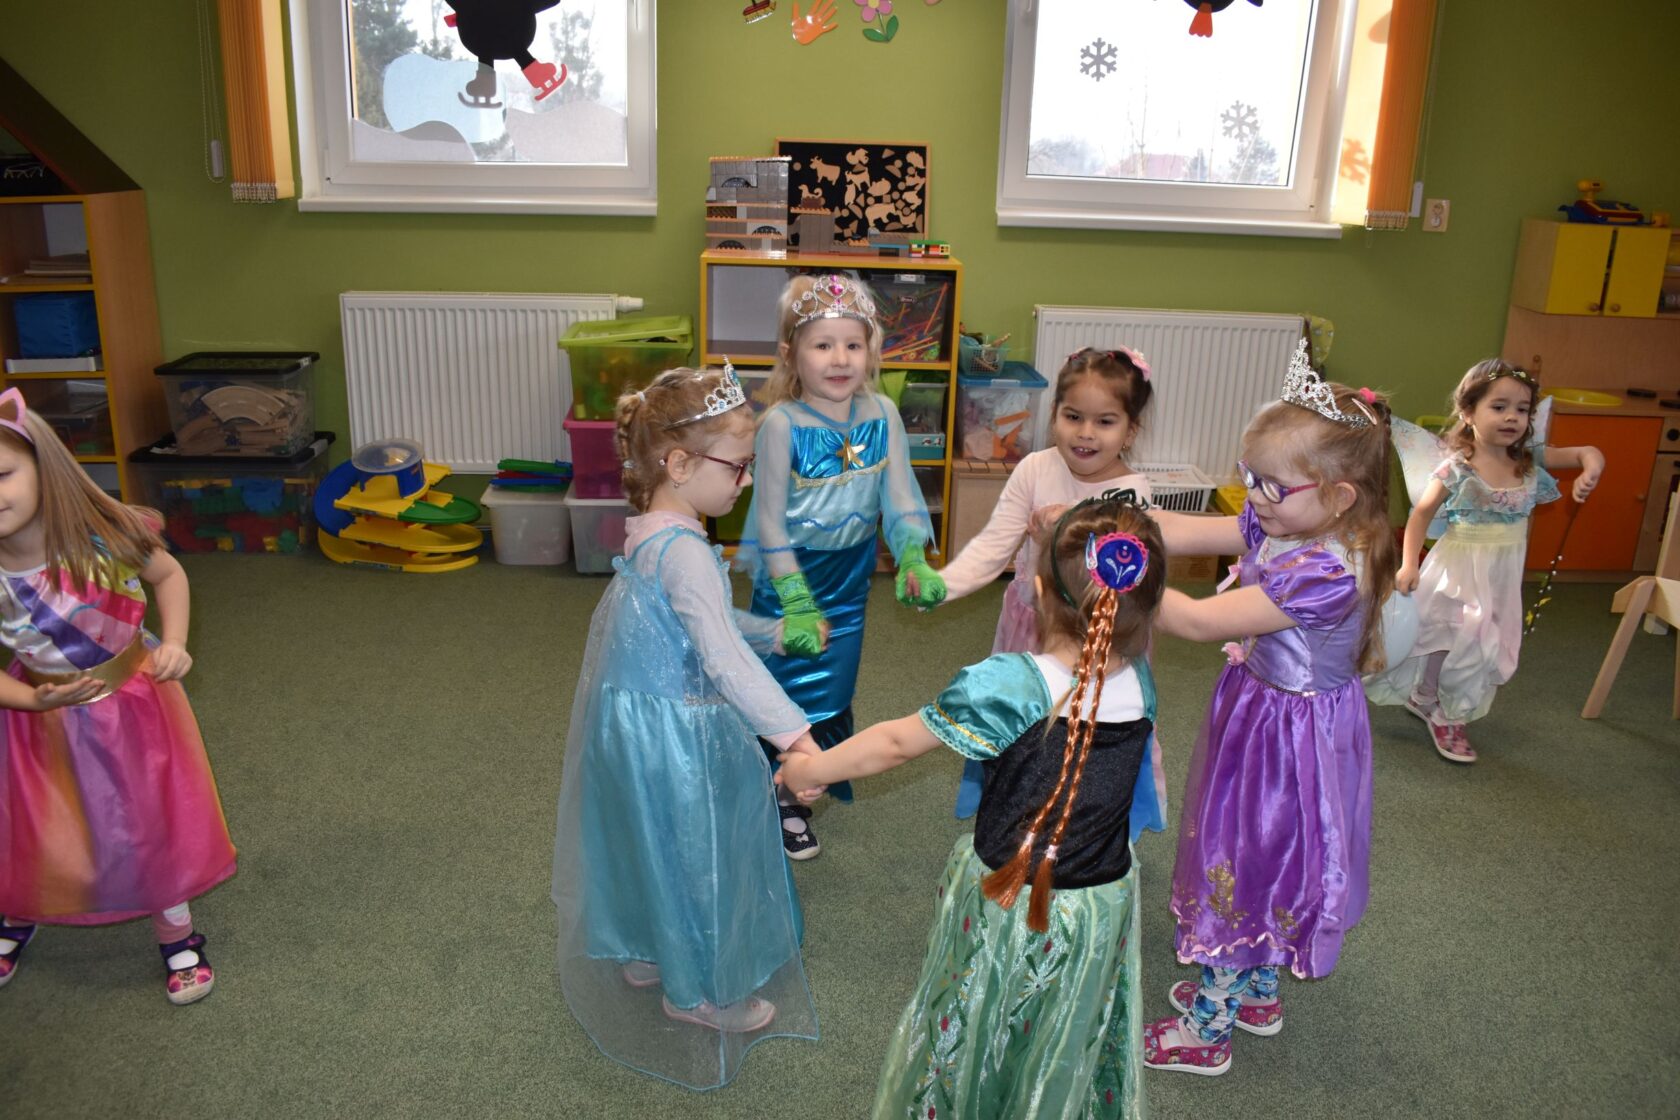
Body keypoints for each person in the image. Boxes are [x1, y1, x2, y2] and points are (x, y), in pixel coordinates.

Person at [780, 493, 1165, 1120]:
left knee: (983, 1014)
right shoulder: (1141, 681)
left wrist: (808, 769)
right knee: (1064, 1029)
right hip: (1101, 905)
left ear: (1038, 593)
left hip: (1011, 901)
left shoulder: (1009, 684)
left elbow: (896, 743)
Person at [551, 365, 821, 1089]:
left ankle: (651, 948)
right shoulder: (691, 552)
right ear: (678, 464)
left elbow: (701, 626)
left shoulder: (651, 531)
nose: (744, 482)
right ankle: (696, 990)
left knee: (648, 839)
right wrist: (796, 738)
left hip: (629, 722)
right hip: (677, 733)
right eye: (736, 466)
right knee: (700, 851)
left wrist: (768, 630)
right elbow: (721, 659)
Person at [1138, 343, 1395, 1076]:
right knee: (1270, 853)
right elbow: (1190, 530)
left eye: (1270, 485)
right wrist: (1126, 515)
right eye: (1247, 476)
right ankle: (1255, 990)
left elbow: (1195, 621)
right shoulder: (1292, 522)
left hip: (1288, 742)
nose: (1252, 496)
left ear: (1340, 495)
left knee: (1245, 856)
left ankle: (1208, 1029)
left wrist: (1121, 574)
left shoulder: (1326, 572)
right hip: (1267, 715)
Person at [0, 388, 231, 1006]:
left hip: (132, 705)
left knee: (149, 815)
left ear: (42, 467)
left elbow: (168, 574)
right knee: (39, 814)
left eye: (2, 475)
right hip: (37, 713)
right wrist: (31, 702)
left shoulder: (98, 535)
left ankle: (177, 934)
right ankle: (20, 911)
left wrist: (174, 642)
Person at [737, 272, 943, 859]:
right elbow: (769, 523)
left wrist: (911, 556)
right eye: (822, 345)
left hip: (850, 580)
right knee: (780, 690)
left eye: (853, 344)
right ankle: (774, 793)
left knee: (832, 690)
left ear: (871, 351)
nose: (839, 358)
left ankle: (800, 787)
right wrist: (796, 603)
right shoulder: (781, 424)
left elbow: (899, 497)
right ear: (790, 354)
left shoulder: (883, 413)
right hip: (792, 581)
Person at [938, 346, 1157, 819]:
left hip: (1100, 639)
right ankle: (1013, 813)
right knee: (1023, 723)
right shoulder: (1035, 468)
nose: (1085, 432)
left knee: (1085, 733)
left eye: (1105, 421)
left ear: (1130, 430)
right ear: (1054, 413)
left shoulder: (1134, 493)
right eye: (1073, 416)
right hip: (1031, 626)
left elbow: (1124, 578)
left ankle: (1078, 822)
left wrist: (1068, 524)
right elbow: (994, 544)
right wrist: (944, 585)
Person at [1365, 359, 1603, 762]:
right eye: (1499, 406)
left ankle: (1426, 696)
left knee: (1467, 640)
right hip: (1458, 566)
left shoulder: (1529, 461)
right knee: (1458, 636)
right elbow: (1420, 515)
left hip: (1502, 573)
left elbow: (1588, 452)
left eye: (1522, 409)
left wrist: (1590, 469)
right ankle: (1449, 715)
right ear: (1468, 412)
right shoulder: (1457, 467)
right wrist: (1408, 564)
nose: (1512, 417)